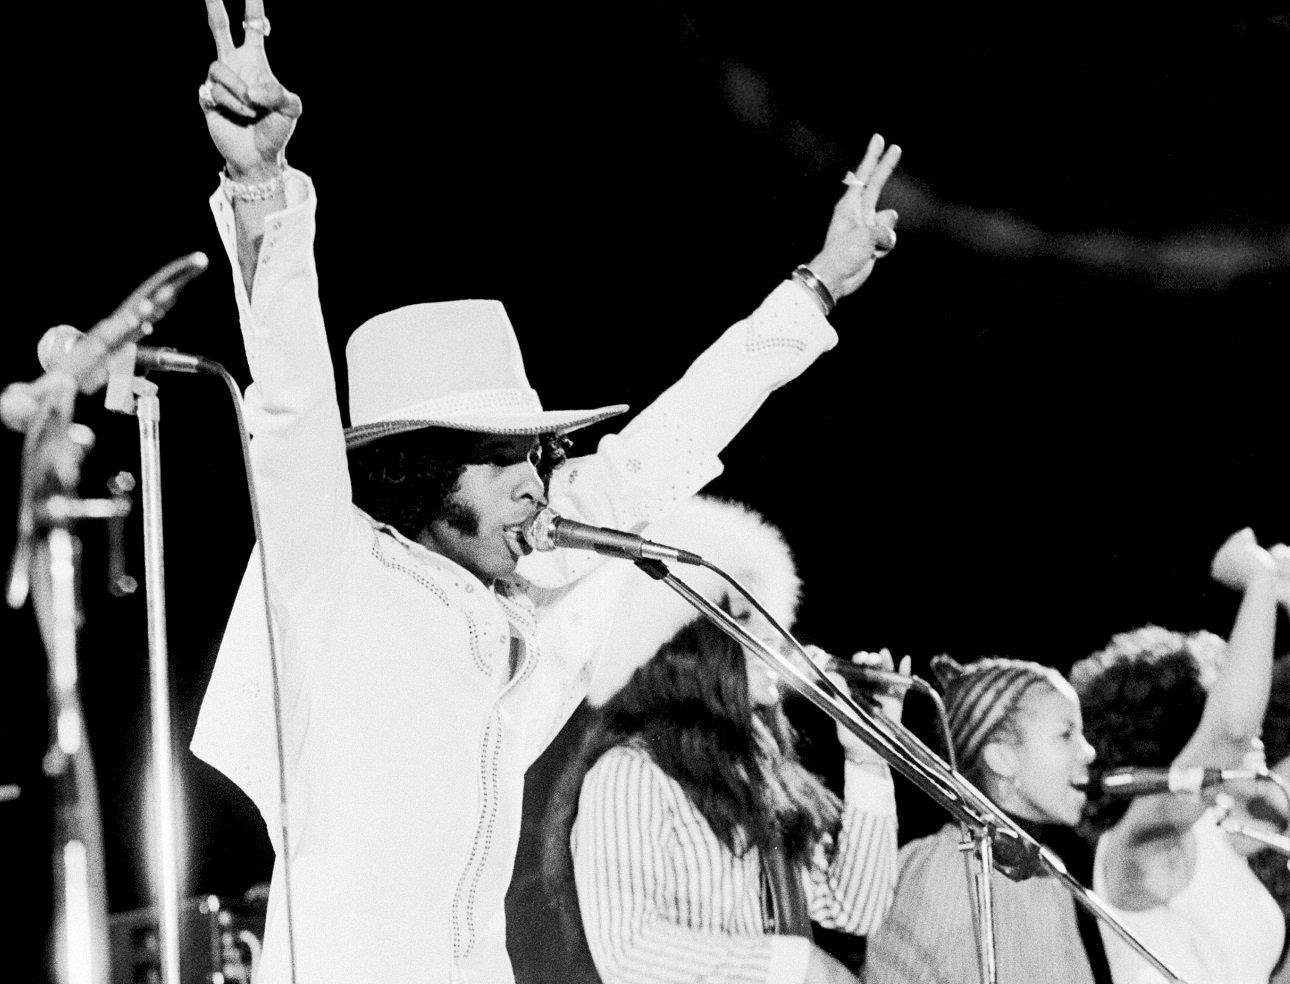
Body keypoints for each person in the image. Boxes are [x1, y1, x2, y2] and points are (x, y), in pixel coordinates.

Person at [188, 2, 904, 982]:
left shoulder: (529, 603)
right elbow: (292, 399)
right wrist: (263, 185)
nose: (538, 485)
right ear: (423, 472)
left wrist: (815, 286)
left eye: (540, 457)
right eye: (504, 461)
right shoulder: (334, 571)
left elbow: (666, 446)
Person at [539, 495, 904, 984]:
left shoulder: (760, 769)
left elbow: (855, 909)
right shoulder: (630, 774)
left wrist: (868, 762)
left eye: (773, 615)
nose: (777, 636)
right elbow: (627, 950)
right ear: (689, 643)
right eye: (748, 619)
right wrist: (792, 965)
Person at [1070, 528, 1285, 984]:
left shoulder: (1217, 835)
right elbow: (1230, 731)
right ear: (1182, 738)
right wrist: (1260, 579)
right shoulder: (1139, 840)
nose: (1257, 737)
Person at [861, 652, 1107, 983]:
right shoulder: (944, 867)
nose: (1088, 751)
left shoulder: (1045, 872)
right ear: (1002, 758)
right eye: (1065, 734)